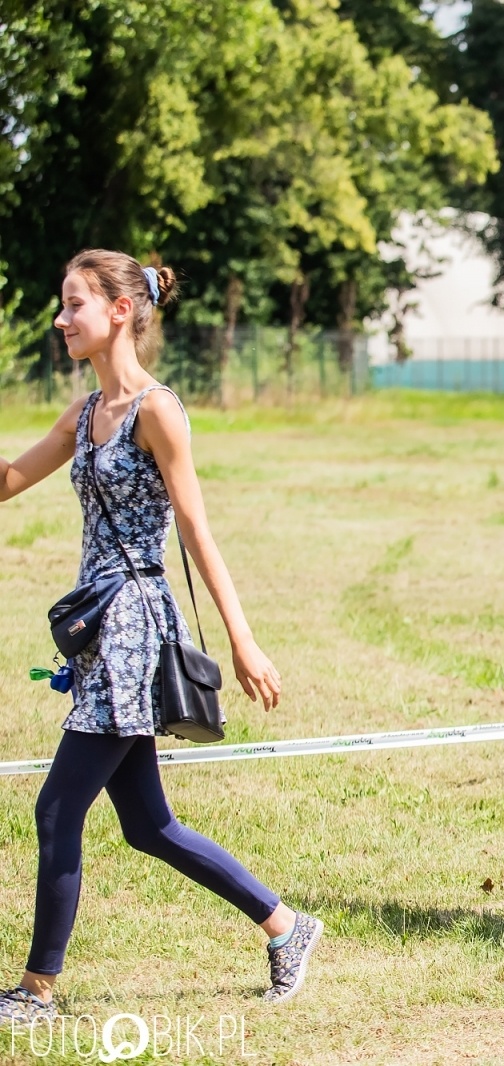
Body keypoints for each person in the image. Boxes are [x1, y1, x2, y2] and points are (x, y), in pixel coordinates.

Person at [0, 251, 320, 1021]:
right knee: (149, 825)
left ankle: (37, 991)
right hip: (94, 629)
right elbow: (8, 481)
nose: (60, 318)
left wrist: (243, 640)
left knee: (56, 810)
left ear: (119, 310)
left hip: (134, 632)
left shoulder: (157, 409)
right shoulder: (83, 413)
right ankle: (287, 925)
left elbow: (198, 531)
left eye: (73, 304)